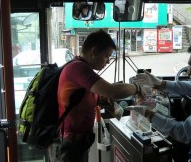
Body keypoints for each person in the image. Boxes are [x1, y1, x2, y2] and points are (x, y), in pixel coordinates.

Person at [48, 29, 145, 162]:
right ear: (94, 52)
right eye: (106, 56)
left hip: (78, 143)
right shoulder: (78, 68)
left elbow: (87, 97)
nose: (108, 60)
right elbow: (112, 91)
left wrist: (101, 100)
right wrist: (137, 88)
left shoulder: (81, 68)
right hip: (69, 146)